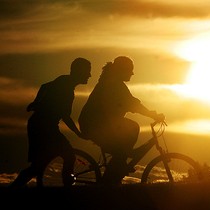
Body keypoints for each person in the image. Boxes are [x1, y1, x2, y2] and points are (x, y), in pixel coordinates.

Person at [78, 56, 165, 184]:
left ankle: (115, 172)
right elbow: (132, 104)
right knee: (131, 130)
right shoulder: (113, 84)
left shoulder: (113, 82)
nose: (132, 73)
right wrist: (153, 115)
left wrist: (151, 114)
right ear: (122, 70)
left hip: (99, 124)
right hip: (95, 125)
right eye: (130, 70)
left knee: (124, 143)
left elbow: (131, 103)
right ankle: (111, 177)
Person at [10, 57, 92, 188]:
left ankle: (14, 188)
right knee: (68, 156)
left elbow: (45, 86)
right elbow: (65, 116)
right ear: (79, 71)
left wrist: (37, 102)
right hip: (44, 127)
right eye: (87, 71)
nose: (90, 75)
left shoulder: (64, 82)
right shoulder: (66, 88)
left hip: (41, 125)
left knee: (38, 165)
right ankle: (67, 187)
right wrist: (78, 133)